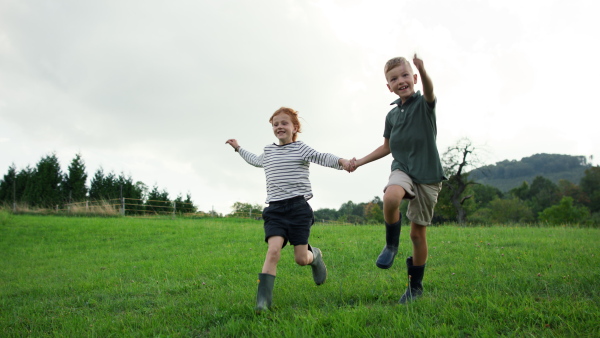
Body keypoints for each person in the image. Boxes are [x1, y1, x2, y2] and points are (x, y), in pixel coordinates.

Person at [225, 107, 351, 312]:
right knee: (273, 251)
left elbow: (322, 156)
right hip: (275, 210)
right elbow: (255, 161)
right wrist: (238, 148)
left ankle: (315, 256)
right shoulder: (268, 151)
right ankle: (263, 301)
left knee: (301, 259)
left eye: (284, 123)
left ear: (295, 127)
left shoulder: (301, 148)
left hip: (298, 208)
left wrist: (342, 161)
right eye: (275, 124)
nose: (279, 127)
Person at [349, 54, 446, 303]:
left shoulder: (425, 104)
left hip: (428, 176)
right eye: (394, 79)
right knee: (391, 196)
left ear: (414, 78)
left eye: (405, 75)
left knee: (417, 235)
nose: (400, 81)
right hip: (402, 168)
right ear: (388, 86)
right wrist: (359, 161)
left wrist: (423, 70)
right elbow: (386, 147)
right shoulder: (392, 116)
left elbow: (430, 90)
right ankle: (391, 246)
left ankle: (415, 287)